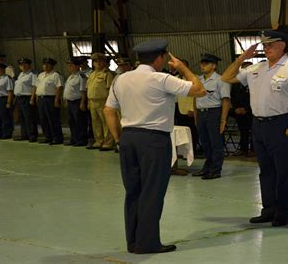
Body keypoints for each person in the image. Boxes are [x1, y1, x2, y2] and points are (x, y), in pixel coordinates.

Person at [103, 39, 206, 254]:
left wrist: (119, 139)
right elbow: (199, 90)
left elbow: (108, 111)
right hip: (153, 140)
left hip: (129, 138)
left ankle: (133, 242)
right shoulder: (161, 79)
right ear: (160, 58)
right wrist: (183, 67)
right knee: (152, 192)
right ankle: (147, 243)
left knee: (133, 192)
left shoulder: (120, 80)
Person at [221, 30, 288, 227]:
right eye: (264, 44)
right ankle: (268, 209)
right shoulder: (257, 68)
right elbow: (226, 78)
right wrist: (242, 58)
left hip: (283, 123)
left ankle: (283, 212)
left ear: (283, 45)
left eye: (270, 44)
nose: (266, 47)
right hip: (259, 125)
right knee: (266, 171)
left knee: (284, 171)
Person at [192, 53, 231, 180]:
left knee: (216, 143)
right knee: (205, 142)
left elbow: (226, 100)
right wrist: (196, 115)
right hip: (201, 113)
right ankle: (207, 167)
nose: (202, 66)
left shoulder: (221, 80)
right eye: (202, 63)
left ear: (214, 66)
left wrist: (223, 119)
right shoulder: (199, 80)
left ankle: (215, 170)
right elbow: (195, 98)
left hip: (214, 112)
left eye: (206, 64)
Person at [86, 53, 115, 151]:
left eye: (100, 61)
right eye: (95, 61)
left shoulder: (107, 74)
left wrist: (109, 104)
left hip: (103, 101)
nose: (98, 63)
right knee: (96, 123)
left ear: (104, 62)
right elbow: (88, 88)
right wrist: (88, 102)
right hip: (92, 101)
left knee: (106, 122)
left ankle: (108, 143)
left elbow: (110, 89)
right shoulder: (92, 74)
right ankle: (99, 141)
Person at [31, 57, 64, 145]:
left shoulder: (56, 75)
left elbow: (59, 88)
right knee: (43, 119)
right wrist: (35, 98)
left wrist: (57, 100)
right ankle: (48, 136)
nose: (45, 66)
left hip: (51, 99)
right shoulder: (41, 75)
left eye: (47, 64)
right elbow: (36, 87)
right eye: (44, 64)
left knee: (53, 119)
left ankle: (57, 138)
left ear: (52, 66)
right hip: (41, 99)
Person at [229, 61, 254, 157]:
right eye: (244, 69)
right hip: (238, 110)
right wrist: (236, 108)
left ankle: (253, 149)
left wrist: (246, 109)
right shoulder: (236, 82)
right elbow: (233, 96)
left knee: (253, 131)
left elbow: (255, 97)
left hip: (251, 111)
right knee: (243, 130)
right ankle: (243, 149)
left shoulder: (254, 81)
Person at [64, 57, 88, 146]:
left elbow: (83, 91)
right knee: (71, 122)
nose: (69, 67)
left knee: (80, 122)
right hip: (70, 102)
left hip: (77, 102)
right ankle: (74, 139)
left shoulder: (81, 76)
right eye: (68, 65)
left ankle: (81, 140)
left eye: (71, 65)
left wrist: (82, 102)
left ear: (78, 66)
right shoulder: (70, 76)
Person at [13, 58, 38, 142]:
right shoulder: (21, 74)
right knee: (22, 117)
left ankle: (32, 135)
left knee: (29, 117)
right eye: (21, 65)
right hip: (20, 98)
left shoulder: (32, 74)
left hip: (27, 98)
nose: (23, 66)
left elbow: (35, 86)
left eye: (25, 64)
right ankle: (24, 134)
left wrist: (32, 98)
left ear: (29, 65)